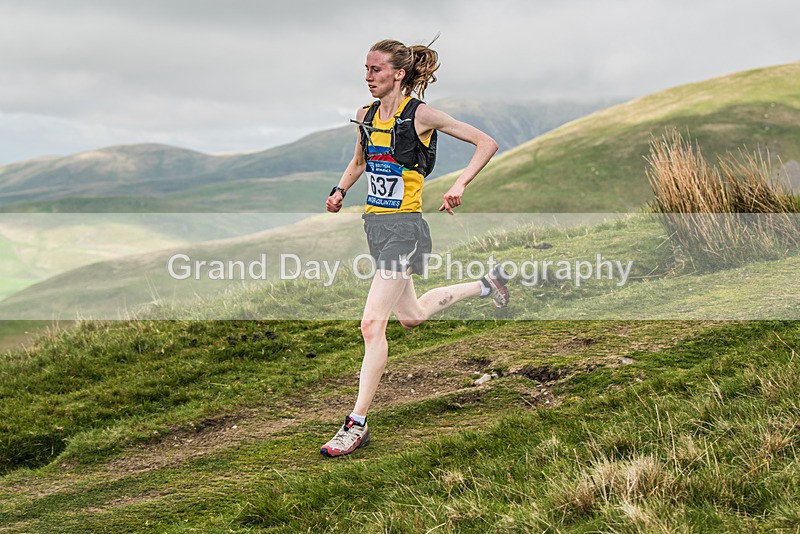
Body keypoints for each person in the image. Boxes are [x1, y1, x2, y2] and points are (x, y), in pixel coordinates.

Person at [320, 38, 509, 457]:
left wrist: (459, 184)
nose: (368, 76)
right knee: (412, 316)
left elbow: (486, 142)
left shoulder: (421, 115)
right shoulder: (365, 115)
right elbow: (359, 162)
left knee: (372, 325)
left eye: (376, 69)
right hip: (376, 227)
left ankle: (356, 423)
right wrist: (339, 191)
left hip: (405, 230)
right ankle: (487, 284)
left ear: (398, 74)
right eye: (366, 69)